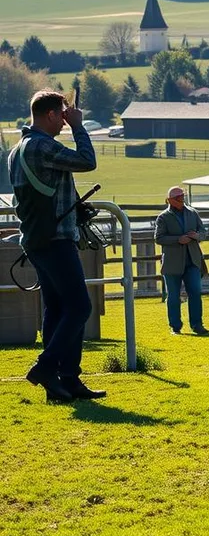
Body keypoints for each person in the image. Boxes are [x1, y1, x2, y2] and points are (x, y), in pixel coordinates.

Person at [6, 90, 103, 402]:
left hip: (37, 238)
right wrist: (79, 126)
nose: (64, 119)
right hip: (56, 239)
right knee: (79, 307)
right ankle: (46, 368)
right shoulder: (42, 146)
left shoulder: (18, 149)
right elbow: (87, 162)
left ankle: (65, 383)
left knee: (58, 309)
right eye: (62, 114)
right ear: (49, 115)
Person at [155, 186, 209, 335]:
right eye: (178, 197)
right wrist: (178, 240)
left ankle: (197, 325)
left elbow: (203, 232)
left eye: (182, 196)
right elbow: (159, 238)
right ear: (170, 200)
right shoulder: (163, 217)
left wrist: (197, 236)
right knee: (173, 296)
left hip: (193, 261)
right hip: (172, 263)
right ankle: (175, 326)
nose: (182, 199)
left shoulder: (193, 213)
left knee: (195, 293)